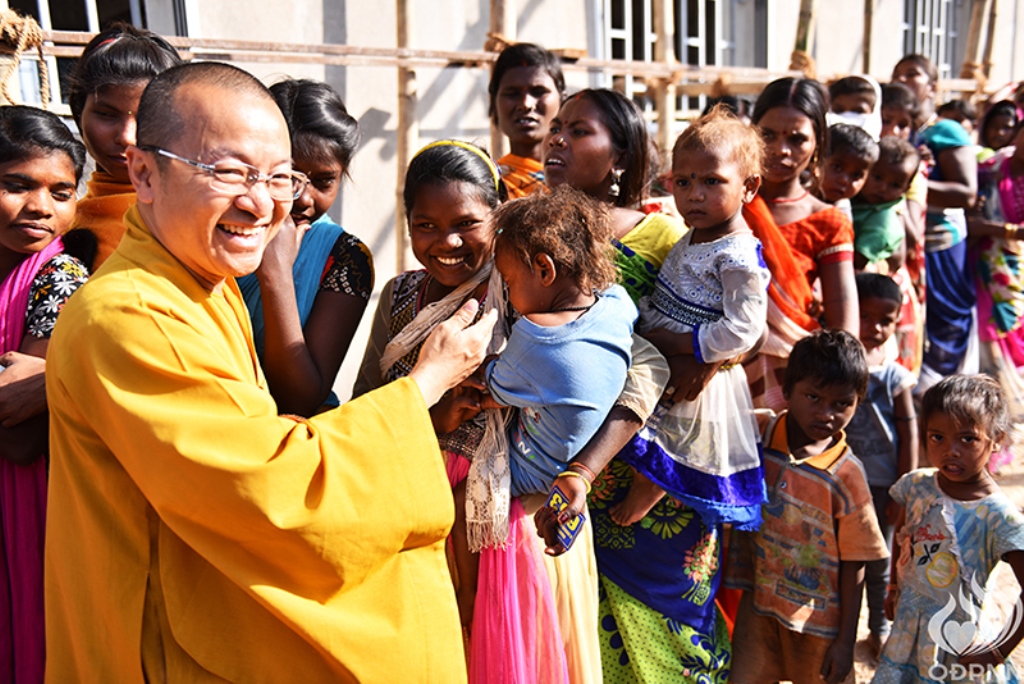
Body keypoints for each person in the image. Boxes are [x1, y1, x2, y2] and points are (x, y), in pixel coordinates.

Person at [44, 62, 495, 682]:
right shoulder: (129, 315)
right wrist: (424, 384)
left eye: (278, 177)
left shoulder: (203, 281)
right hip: (158, 638)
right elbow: (270, 486)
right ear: (144, 172)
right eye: (227, 172)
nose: (262, 202)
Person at [354, 140, 572, 684]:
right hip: (416, 503)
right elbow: (367, 407)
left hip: (509, 519)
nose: (446, 242)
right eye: (424, 224)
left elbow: (612, 377)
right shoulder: (400, 296)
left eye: (466, 223)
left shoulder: (532, 287)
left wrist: (579, 477)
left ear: (499, 214)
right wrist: (435, 419)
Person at [450, 185, 636, 627]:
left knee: (459, 500)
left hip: (533, 467)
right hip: (574, 453)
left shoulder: (538, 338)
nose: (509, 294)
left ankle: (467, 594)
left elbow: (487, 385)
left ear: (544, 270)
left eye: (510, 282)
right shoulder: (615, 303)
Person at [613, 105, 769, 531]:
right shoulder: (696, 234)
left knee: (676, 429)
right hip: (670, 339)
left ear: (749, 187)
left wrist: (684, 346)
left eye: (712, 181)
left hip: (699, 364)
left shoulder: (736, 253)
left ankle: (652, 486)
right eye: (683, 181)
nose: (694, 194)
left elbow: (745, 327)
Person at [726, 330, 889, 684]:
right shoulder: (759, 432)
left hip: (819, 625)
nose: (826, 414)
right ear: (787, 391)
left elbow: (855, 562)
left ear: (858, 402)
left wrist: (845, 642)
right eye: (813, 397)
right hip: (759, 608)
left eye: (842, 404)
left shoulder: (846, 474)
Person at [0, 105, 86, 684]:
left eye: (61, 191)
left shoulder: (62, 281)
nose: (41, 207)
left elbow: (21, 433)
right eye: (16, 185)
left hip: (28, 507)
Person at [873, 375, 1024, 683]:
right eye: (937, 437)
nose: (950, 450)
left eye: (967, 439)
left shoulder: (999, 516)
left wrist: (997, 651)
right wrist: (892, 589)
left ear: (996, 439)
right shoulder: (917, 486)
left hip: (959, 647)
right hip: (907, 632)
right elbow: (903, 537)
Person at [237, 78, 373, 415]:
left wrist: (276, 274)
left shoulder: (345, 258)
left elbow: (300, 398)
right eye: (288, 176)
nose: (304, 198)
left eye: (324, 181)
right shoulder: (226, 232)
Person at [743, 77, 859, 411]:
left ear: (818, 144)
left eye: (797, 139)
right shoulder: (723, 202)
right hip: (718, 367)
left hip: (792, 374)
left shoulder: (827, 221)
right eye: (768, 135)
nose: (781, 149)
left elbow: (843, 327)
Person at [66, 22, 182, 272]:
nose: (127, 137)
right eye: (107, 115)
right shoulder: (57, 217)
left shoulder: (194, 215)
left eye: (145, 118)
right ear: (78, 112)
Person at [893, 54, 979, 391]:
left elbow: (966, 192)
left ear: (933, 86)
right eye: (898, 74)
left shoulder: (945, 130)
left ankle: (948, 397)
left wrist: (911, 180)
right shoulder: (899, 129)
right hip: (908, 242)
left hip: (942, 246)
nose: (903, 80)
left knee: (945, 324)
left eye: (912, 74)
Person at [845, 273, 918, 662]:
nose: (875, 327)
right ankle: (841, 629)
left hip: (883, 486)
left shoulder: (894, 375)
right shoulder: (841, 365)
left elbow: (910, 434)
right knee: (843, 559)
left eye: (885, 320)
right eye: (866, 316)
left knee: (879, 561)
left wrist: (904, 490)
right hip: (841, 484)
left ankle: (879, 629)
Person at [969, 120, 1024, 423]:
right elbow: (970, 210)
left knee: (1015, 336)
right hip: (982, 265)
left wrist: (995, 229)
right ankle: (992, 425)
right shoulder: (989, 167)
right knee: (986, 341)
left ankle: (1012, 420)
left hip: (1016, 271)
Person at [488, 43, 565, 198]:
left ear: (562, 100)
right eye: (512, 93)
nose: (525, 104)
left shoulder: (587, 177)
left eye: (538, 92)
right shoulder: (488, 185)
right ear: (494, 102)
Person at [853, 136, 921, 273]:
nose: (883, 188)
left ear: (906, 189)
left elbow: (857, 262)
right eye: (877, 177)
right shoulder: (856, 197)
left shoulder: (882, 222)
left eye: (895, 185)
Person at [817, 122, 879, 215]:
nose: (844, 180)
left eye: (856, 175)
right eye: (837, 168)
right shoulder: (793, 193)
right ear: (818, 159)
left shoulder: (842, 212)